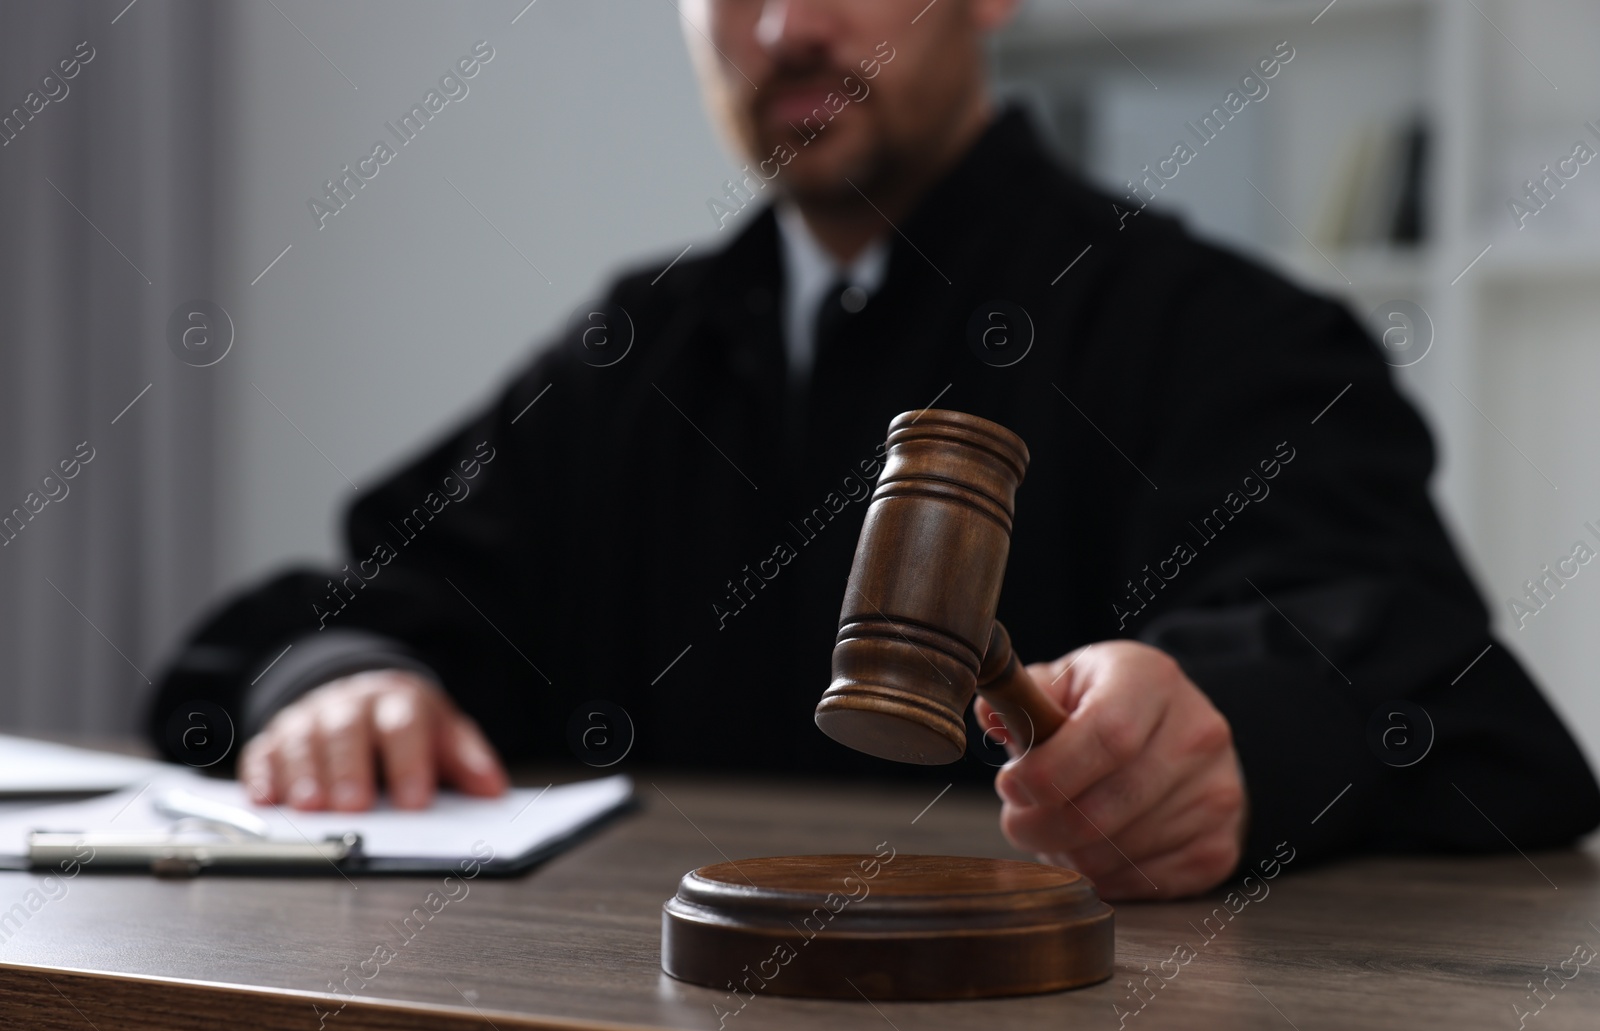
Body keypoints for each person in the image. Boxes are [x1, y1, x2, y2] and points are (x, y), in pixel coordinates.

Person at [148, 0, 1600, 899]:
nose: (786, 25)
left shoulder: (1222, 333)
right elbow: (351, 610)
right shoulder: (631, 356)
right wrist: (351, 687)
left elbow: (1437, 686)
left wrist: (1230, 731)